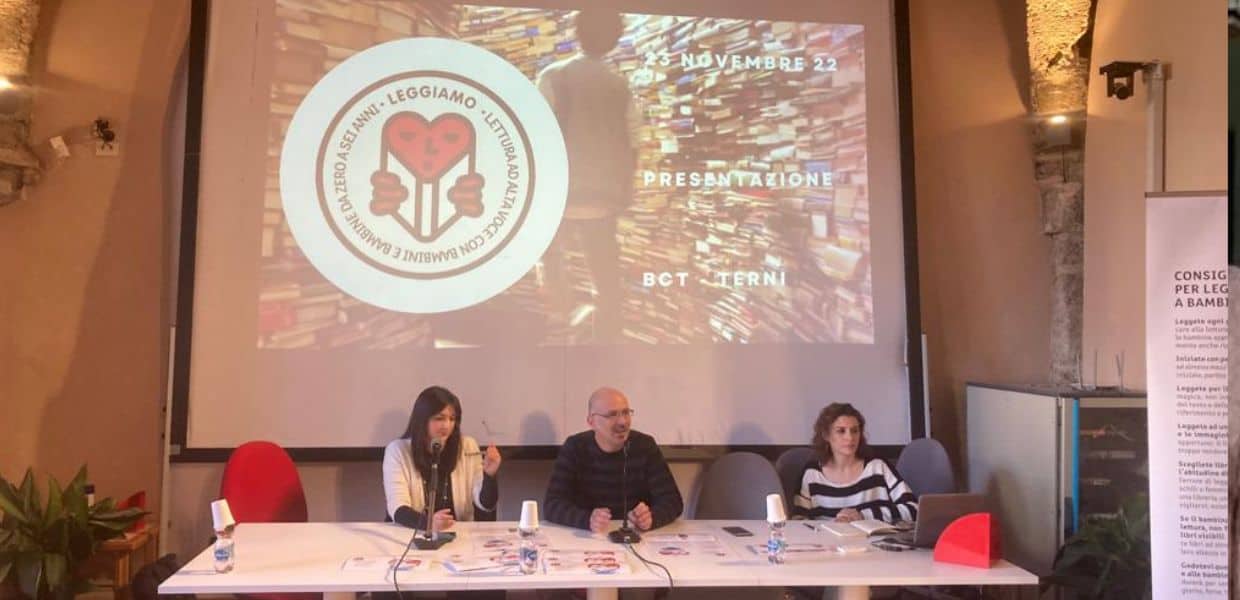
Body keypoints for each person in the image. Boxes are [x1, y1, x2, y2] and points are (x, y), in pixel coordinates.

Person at [535, 8, 640, 342]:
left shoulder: (554, 76)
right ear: (615, 39)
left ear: (576, 33)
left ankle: (561, 326)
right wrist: (625, 189)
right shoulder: (620, 85)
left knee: (551, 261)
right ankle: (604, 339)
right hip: (604, 198)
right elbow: (632, 142)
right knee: (605, 274)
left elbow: (538, 134)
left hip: (559, 194)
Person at [544, 387, 683, 532]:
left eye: (625, 413)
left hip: (634, 536)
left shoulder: (644, 446)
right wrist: (587, 519)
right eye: (612, 415)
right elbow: (552, 505)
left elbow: (673, 501)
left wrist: (651, 518)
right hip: (590, 538)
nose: (622, 422)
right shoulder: (575, 447)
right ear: (591, 422)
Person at [383, 386, 502, 533]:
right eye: (439, 418)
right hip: (411, 533)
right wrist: (428, 523)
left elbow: (486, 505)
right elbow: (397, 508)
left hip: (458, 534)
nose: (447, 425)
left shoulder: (467, 446)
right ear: (422, 419)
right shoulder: (397, 450)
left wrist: (489, 476)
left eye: (452, 419)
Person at [791, 402, 918, 522]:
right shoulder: (812, 473)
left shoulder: (878, 466)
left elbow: (914, 509)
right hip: (827, 538)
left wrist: (864, 515)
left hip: (874, 538)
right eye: (841, 431)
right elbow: (798, 519)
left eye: (855, 431)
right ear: (826, 435)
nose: (850, 437)